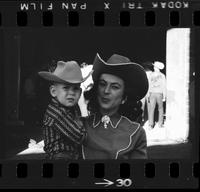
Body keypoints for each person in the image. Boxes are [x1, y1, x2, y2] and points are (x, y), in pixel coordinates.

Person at [82, 53, 149, 159]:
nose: (106, 91)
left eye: (115, 87)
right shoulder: (80, 125)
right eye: (103, 84)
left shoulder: (136, 133)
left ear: (124, 98)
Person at [38, 60, 92, 160]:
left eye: (75, 89)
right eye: (66, 88)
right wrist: (83, 107)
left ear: (80, 92)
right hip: (61, 157)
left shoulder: (68, 108)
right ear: (54, 91)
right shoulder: (58, 113)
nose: (71, 93)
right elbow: (81, 137)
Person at [148, 61, 166, 129]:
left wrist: (149, 94)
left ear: (156, 67)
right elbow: (164, 86)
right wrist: (164, 96)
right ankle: (160, 124)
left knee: (151, 109)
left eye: (154, 66)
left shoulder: (151, 75)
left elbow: (149, 85)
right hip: (159, 93)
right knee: (160, 109)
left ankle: (150, 125)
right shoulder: (162, 75)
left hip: (152, 93)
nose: (153, 67)